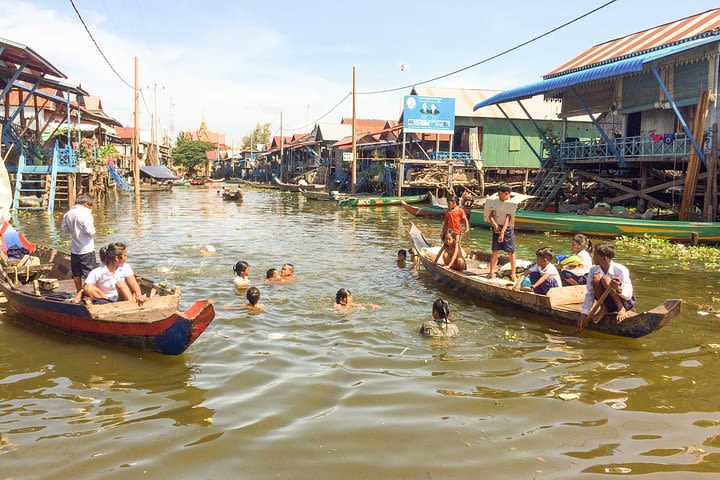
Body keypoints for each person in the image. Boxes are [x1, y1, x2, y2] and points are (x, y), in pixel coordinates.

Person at [578, 243, 635, 330]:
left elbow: (628, 296)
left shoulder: (621, 270)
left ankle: (621, 309)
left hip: (623, 302)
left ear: (604, 258)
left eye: (595, 255)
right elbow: (590, 293)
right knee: (597, 278)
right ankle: (603, 309)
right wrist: (584, 313)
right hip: (607, 304)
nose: (593, 257)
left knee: (605, 279)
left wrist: (618, 289)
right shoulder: (593, 270)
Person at [61, 194, 97, 302]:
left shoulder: (68, 214)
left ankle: (79, 292)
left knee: (76, 273)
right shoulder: (86, 214)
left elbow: (64, 229)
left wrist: (75, 231)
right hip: (86, 249)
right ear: (86, 204)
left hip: (74, 249)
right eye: (89, 206)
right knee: (90, 275)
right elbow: (90, 231)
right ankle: (88, 294)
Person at [487, 185, 517, 281]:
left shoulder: (511, 204)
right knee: (495, 251)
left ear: (506, 194)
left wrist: (502, 233)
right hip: (497, 227)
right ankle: (491, 271)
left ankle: (513, 274)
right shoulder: (495, 202)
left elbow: (508, 218)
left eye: (500, 194)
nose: (499, 196)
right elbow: (491, 215)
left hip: (507, 229)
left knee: (510, 252)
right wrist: (494, 225)